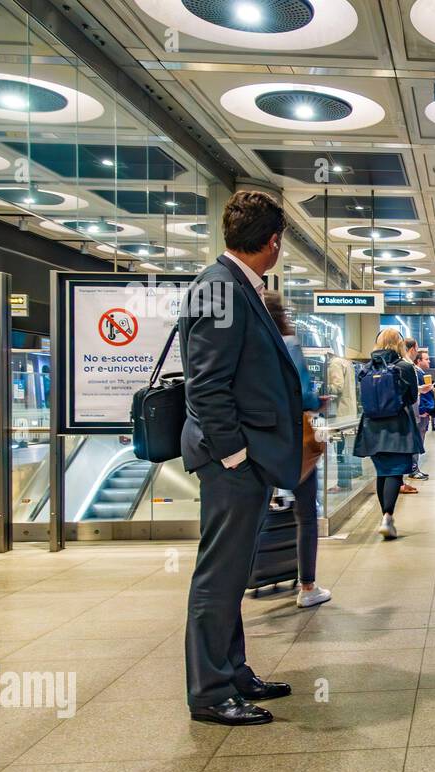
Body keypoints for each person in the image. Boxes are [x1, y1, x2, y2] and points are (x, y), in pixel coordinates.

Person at [180, 189, 300, 726]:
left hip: (242, 459)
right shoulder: (221, 289)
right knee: (219, 575)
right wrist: (235, 456)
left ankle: (232, 670)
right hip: (230, 461)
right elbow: (206, 386)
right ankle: (209, 692)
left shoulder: (233, 286)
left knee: (232, 572)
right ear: (272, 243)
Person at [262, 290, 330, 609]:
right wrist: (318, 402)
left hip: (257, 439)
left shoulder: (248, 343)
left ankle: (235, 586)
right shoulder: (288, 344)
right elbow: (303, 392)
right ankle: (307, 586)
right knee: (306, 513)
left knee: (251, 513)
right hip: (292, 437)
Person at [354, 327, 422, 539]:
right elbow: (411, 398)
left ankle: (385, 516)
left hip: (371, 427)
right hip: (397, 425)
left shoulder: (366, 368)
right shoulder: (404, 367)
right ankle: (387, 516)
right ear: (399, 344)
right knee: (395, 471)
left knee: (382, 471)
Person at [402, 337, 430, 481]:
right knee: (414, 440)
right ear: (412, 349)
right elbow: (409, 391)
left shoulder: (407, 367)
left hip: (412, 411)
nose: (428, 361)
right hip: (412, 411)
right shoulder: (408, 367)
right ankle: (412, 468)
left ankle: (413, 468)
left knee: (416, 440)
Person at [417, 349, 435, 431]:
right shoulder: (417, 374)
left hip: (424, 413)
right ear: (419, 361)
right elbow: (418, 394)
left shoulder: (421, 373)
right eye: (426, 359)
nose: (429, 361)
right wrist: (422, 411)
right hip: (422, 414)